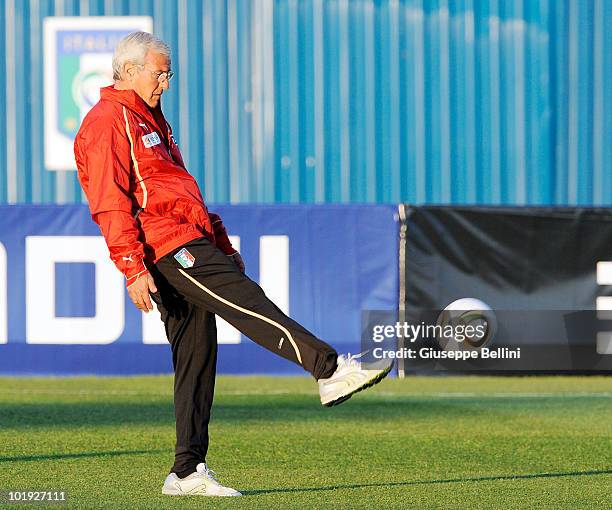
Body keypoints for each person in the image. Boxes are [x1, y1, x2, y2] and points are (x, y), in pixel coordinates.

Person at [74, 31, 392, 497]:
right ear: (128, 70)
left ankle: (186, 472)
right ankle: (328, 370)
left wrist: (218, 239)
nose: (166, 81)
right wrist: (131, 266)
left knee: (196, 357)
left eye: (169, 73)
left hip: (186, 237)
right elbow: (109, 200)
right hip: (165, 247)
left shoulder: (151, 120)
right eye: (159, 72)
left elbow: (180, 190)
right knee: (248, 302)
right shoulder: (107, 120)